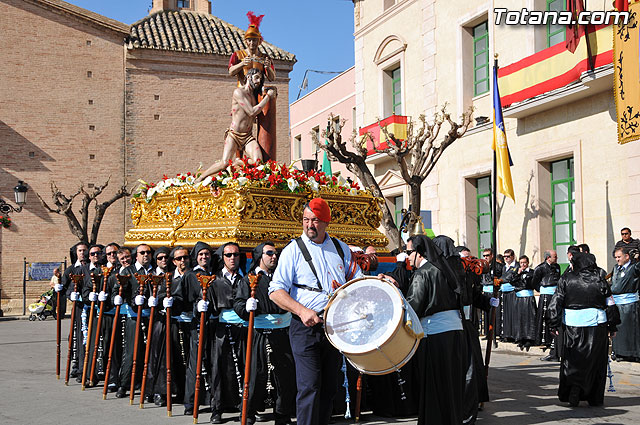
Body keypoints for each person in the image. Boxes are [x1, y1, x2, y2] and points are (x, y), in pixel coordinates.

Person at [269, 198, 362, 425]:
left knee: (330, 386)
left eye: (315, 221)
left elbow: (357, 282)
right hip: (305, 328)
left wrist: (377, 282)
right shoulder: (293, 250)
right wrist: (301, 311)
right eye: (306, 220)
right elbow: (275, 291)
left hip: (334, 327)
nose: (309, 225)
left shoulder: (341, 249)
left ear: (326, 222)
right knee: (309, 386)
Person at [404, 235, 466, 425]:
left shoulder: (422, 273)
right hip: (455, 332)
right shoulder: (446, 269)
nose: (407, 257)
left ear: (419, 253)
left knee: (434, 386)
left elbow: (414, 306)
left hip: (434, 336)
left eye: (409, 252)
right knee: (452, 384)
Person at [234, 242, 296, 425]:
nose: (273, 257)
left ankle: (282, 414)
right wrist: (246, 307)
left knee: (285, 375)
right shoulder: (249, 279)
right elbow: (238, 303)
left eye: (275, 253)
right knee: (255, 375)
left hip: (282, 331)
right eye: (269, 253)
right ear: (259, 256)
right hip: (259, 332)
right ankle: (249, 412)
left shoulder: (282, 278)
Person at [549, 251, 620, 407]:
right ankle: (594, 397)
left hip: (573, 326)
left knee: (572, 359)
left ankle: (574, 388)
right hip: (597, 326)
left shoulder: (566, 279)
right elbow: (610, 304)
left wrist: (553, 323)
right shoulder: (600, 280)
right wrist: (613, 324)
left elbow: (556, 302)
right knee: (595, 361)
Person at [196, 68, 277, 183]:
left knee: (258, 161)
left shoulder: (254, 96)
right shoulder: (238, 92)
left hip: (248, 137)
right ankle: (201, 177)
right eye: (257, 77)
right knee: (224, 163)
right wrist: (268, 97)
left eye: (260, 78)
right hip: (234, 135)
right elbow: (251, 112)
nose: (259, 81)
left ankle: (240, 162)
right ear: (249, 77)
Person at [208, 242, 246, 423]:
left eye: (236, 255)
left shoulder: (246, 279)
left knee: (244, 367)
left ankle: (244, 406)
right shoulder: (214, 280)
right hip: (223, 328)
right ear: (222, 257)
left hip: (244, 328)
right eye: (228, 255)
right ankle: (217, 408)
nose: (232, 258)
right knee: (219, 368)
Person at [148, 246, 190, 407]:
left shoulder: (191, 275)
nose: (182, 261)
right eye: (178, 259)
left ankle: (181, 391)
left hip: (186, 323)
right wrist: (159, 302)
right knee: (163, 357)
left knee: (183, 358)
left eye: (184, 258)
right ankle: (160, 391)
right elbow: (158, 294)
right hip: (166, 322)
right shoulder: (168, 277)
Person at [181, 241, 217, 416]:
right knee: (195, 363)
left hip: (213, 324)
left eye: (207, 254)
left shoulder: (214, 274)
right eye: (201, 254)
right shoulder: (190, 275)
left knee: (213, 362)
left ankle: (212, 398)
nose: (204, 257)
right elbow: (184, 300)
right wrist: (196, 307)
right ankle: (190, 402)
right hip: (197, 324)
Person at [58, 241, 89, 378]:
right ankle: (76, 364)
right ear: (75, 253)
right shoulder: (71, 269)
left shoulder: (90, 267)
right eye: (80, 251)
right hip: (77, 307)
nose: (82, 253)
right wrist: (68, 293)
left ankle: (87, 366)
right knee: (76, 336)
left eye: (84, 250)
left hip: (90, 306)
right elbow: (64, 287)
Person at [610, 247, 640, 361]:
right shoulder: (616, 268)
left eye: (619, 257)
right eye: (616, 257)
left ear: (626, 256)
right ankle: (618, 352)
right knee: (618, 330)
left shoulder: (634, 267)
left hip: (629, 304)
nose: (617, 259)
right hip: (617, 303)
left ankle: (633, 354)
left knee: (631, 331)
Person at [532, 250, 562, 360]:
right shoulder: (540, 268)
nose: (557, 258)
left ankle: (553, 339)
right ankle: (544, 339)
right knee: (545, 317)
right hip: (545, 295)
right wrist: (542, 290)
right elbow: (534, 281)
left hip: (555, 294)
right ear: (548, 257)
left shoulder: (557, 267)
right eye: (555, 257)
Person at [513, 255, 537, 351]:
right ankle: (520, 337)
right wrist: (518, 274)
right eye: (521, 263)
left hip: (528, 297)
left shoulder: (531, 272)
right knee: (520, 318)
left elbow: (532, 283)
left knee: (529, 318)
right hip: (519, 297)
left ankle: (529, 338)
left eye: (524, 262)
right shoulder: (516, 272)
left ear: (527, 263)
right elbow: (512, 281)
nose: (523, 264)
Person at [480, 248, 502, 337]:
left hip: (494, 291)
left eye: (487, 255)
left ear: (492, 256)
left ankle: (495, 332)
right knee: (486, 313)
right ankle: (487, 333)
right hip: (485, 290)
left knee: (495, 313)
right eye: (484, 255)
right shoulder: (482, 265)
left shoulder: (498, 266)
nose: (485, 257)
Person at [498, 249, 518, 342]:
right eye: (504, 256)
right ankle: (506, 334)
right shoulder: (504, 267)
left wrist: (502, 280)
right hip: (504, 292)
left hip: (512, 292)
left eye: (508, 256)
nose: (506, 258)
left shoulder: (516, 266)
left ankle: (513, 334)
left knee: (513, 314)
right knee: (505, 314)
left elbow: (511, 277)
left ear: (513, 256)